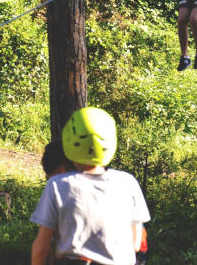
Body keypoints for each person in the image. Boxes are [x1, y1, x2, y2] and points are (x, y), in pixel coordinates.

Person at [31, 107, 151, 265]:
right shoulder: (128, 182)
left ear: (69, 141)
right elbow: (136, 243)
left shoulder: (57, 185)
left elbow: (41, 250)